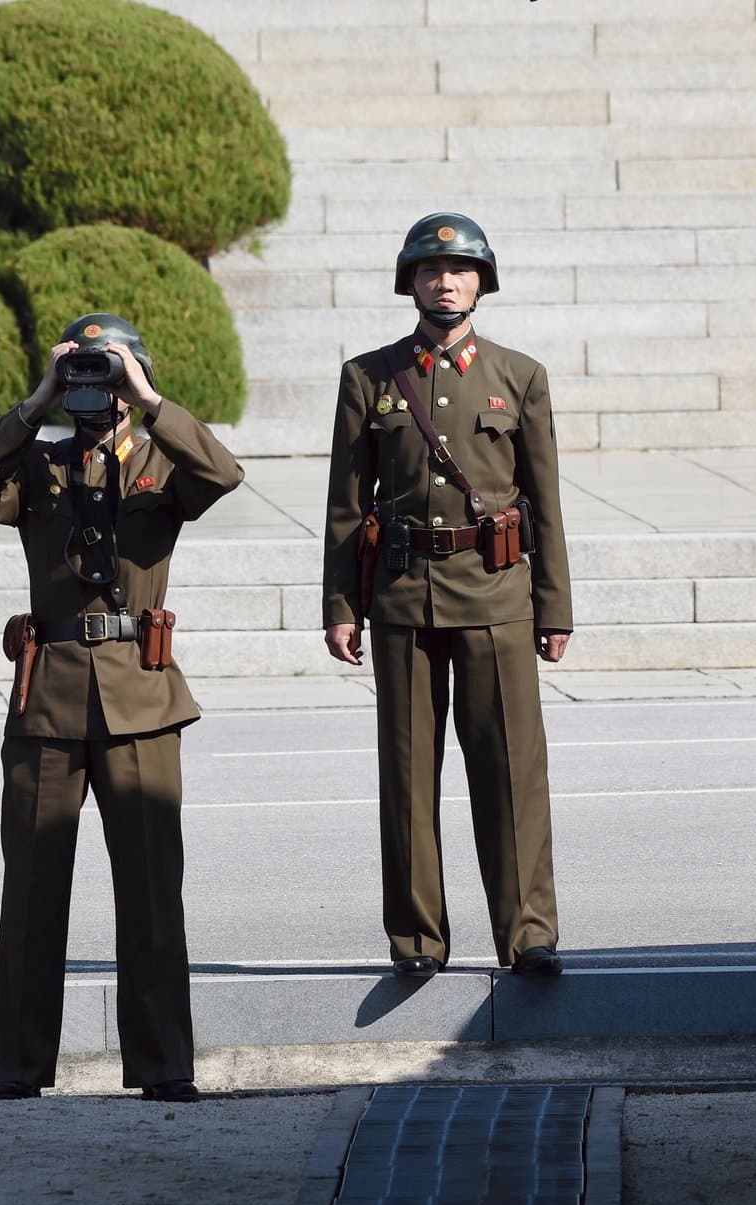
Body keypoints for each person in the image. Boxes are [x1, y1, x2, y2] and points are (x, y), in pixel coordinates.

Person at [0, 313, 243, 1103]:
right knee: (33, 895)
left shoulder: (159, 460)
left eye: (101, 375)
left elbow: (223, 474)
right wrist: (38, 398)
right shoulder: (39, 468)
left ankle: (161, 1066)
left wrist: (149, 399)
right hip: (47, 699)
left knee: (150, 893)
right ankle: (20, 1069)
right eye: (84, 376)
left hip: (140, 696)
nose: (92, 391)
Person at [322, 213, 573, 978]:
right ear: (411, 283)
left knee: (511, 772)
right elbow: (344, 503)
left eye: (460, 269)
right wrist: (341, 606)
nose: (445, 281)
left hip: (497, 596)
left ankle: (528, 933)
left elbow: (545, 500)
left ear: (481, 282)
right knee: (405, 775)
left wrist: (554, 607)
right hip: (401, 597)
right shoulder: (369, 377)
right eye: (431, 271)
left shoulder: (518, 376)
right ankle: (418, 938)